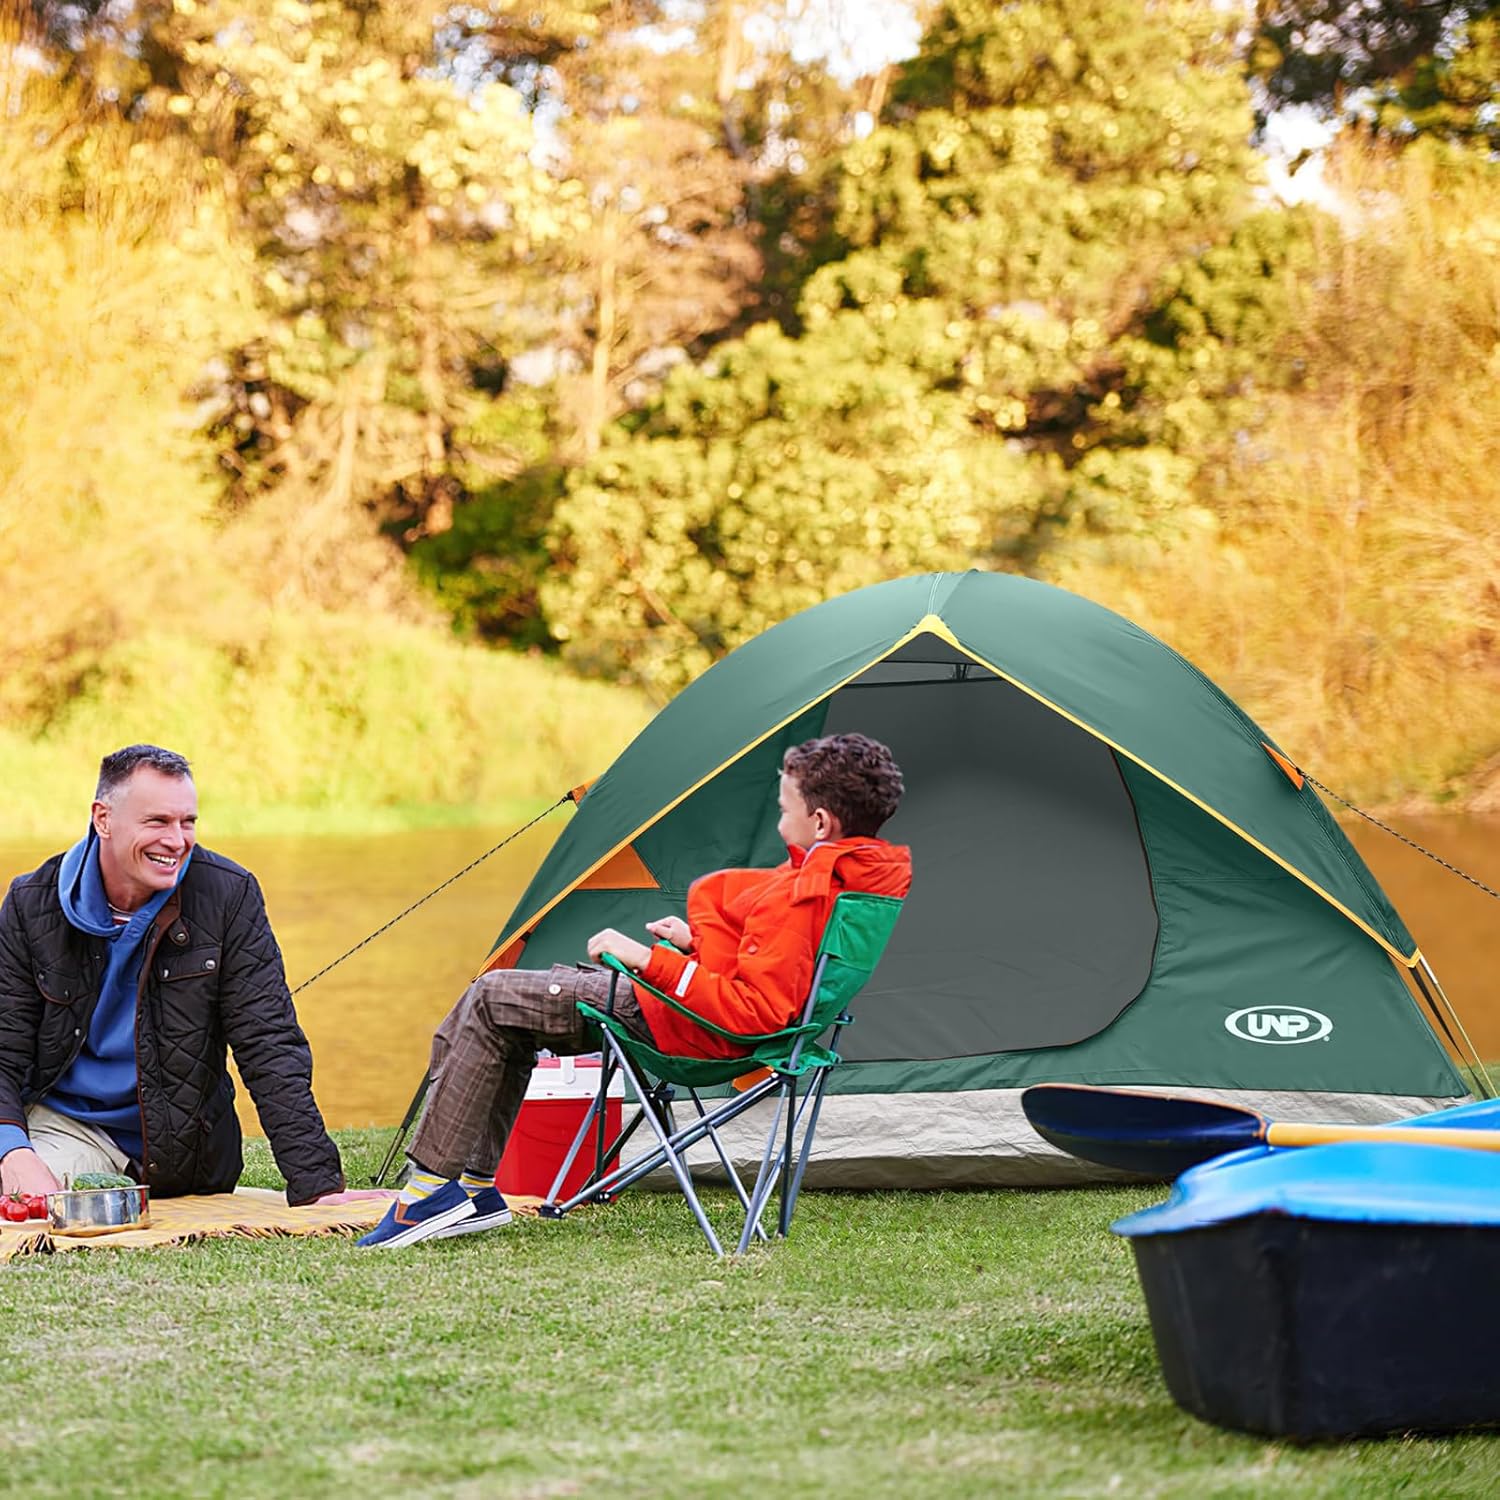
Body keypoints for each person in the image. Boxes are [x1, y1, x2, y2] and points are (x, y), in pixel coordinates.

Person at [358, 732, 912, 1249]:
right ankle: (475, 1191)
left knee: (489, 996)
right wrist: (696, 942)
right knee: (509, 1009)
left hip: (683, 1030)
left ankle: (427, 1194)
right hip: (695, 1022)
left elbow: (754, 1010)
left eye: (785, 805)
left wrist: (650, 962)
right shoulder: (853, 882)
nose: (778, 815)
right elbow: (779, 974)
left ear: (819, 821)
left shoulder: (804, 895)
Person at [0, 744, 380, 1208]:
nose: (177, 840)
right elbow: (5, 1048)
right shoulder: (31, 903)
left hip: (181, 1147)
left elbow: (269, 1043)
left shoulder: (229, 894)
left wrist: (317, 1184)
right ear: (103, 819)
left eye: (188, 822)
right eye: (157, 822)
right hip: (61, 1122)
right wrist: (12, 1148)